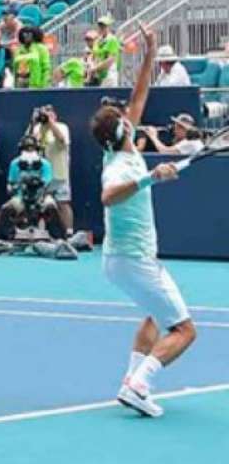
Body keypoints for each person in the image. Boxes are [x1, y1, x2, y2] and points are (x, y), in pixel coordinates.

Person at [90, 22, 195, 418]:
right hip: (134, 260)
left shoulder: (120, 143)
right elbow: (108, 196)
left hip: (118, 262)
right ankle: (140, 384)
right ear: (122, 130)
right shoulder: (117, 166)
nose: (128, 113)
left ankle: (129, 381)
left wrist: (150, 54)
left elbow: (139, 96)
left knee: (154, 315)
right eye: (123, 116)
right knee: (184, 330)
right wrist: (151, 176)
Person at [0, 135, 63, 240]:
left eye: (32, 148)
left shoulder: (45, 164)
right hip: (21, 197)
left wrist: (39, 188)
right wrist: (13, 188)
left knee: (51, 206)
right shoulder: (15, 164)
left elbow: (48, 184)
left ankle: (59, 238)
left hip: (41, 197)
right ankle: (2, 238)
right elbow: (11, 184)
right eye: (26, 148)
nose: (29, 150)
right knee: (6, 209)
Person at [30, 105, 74, 235]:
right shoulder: (38, 129)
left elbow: (61, 140)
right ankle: (41, 232)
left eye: (49, 113)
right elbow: (30, 143)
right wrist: (33, 123)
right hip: (42, 173)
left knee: (63, 203)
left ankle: (68, 232)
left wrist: (50, 123)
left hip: (59, 172)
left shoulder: (62, 127)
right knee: (39, 204)